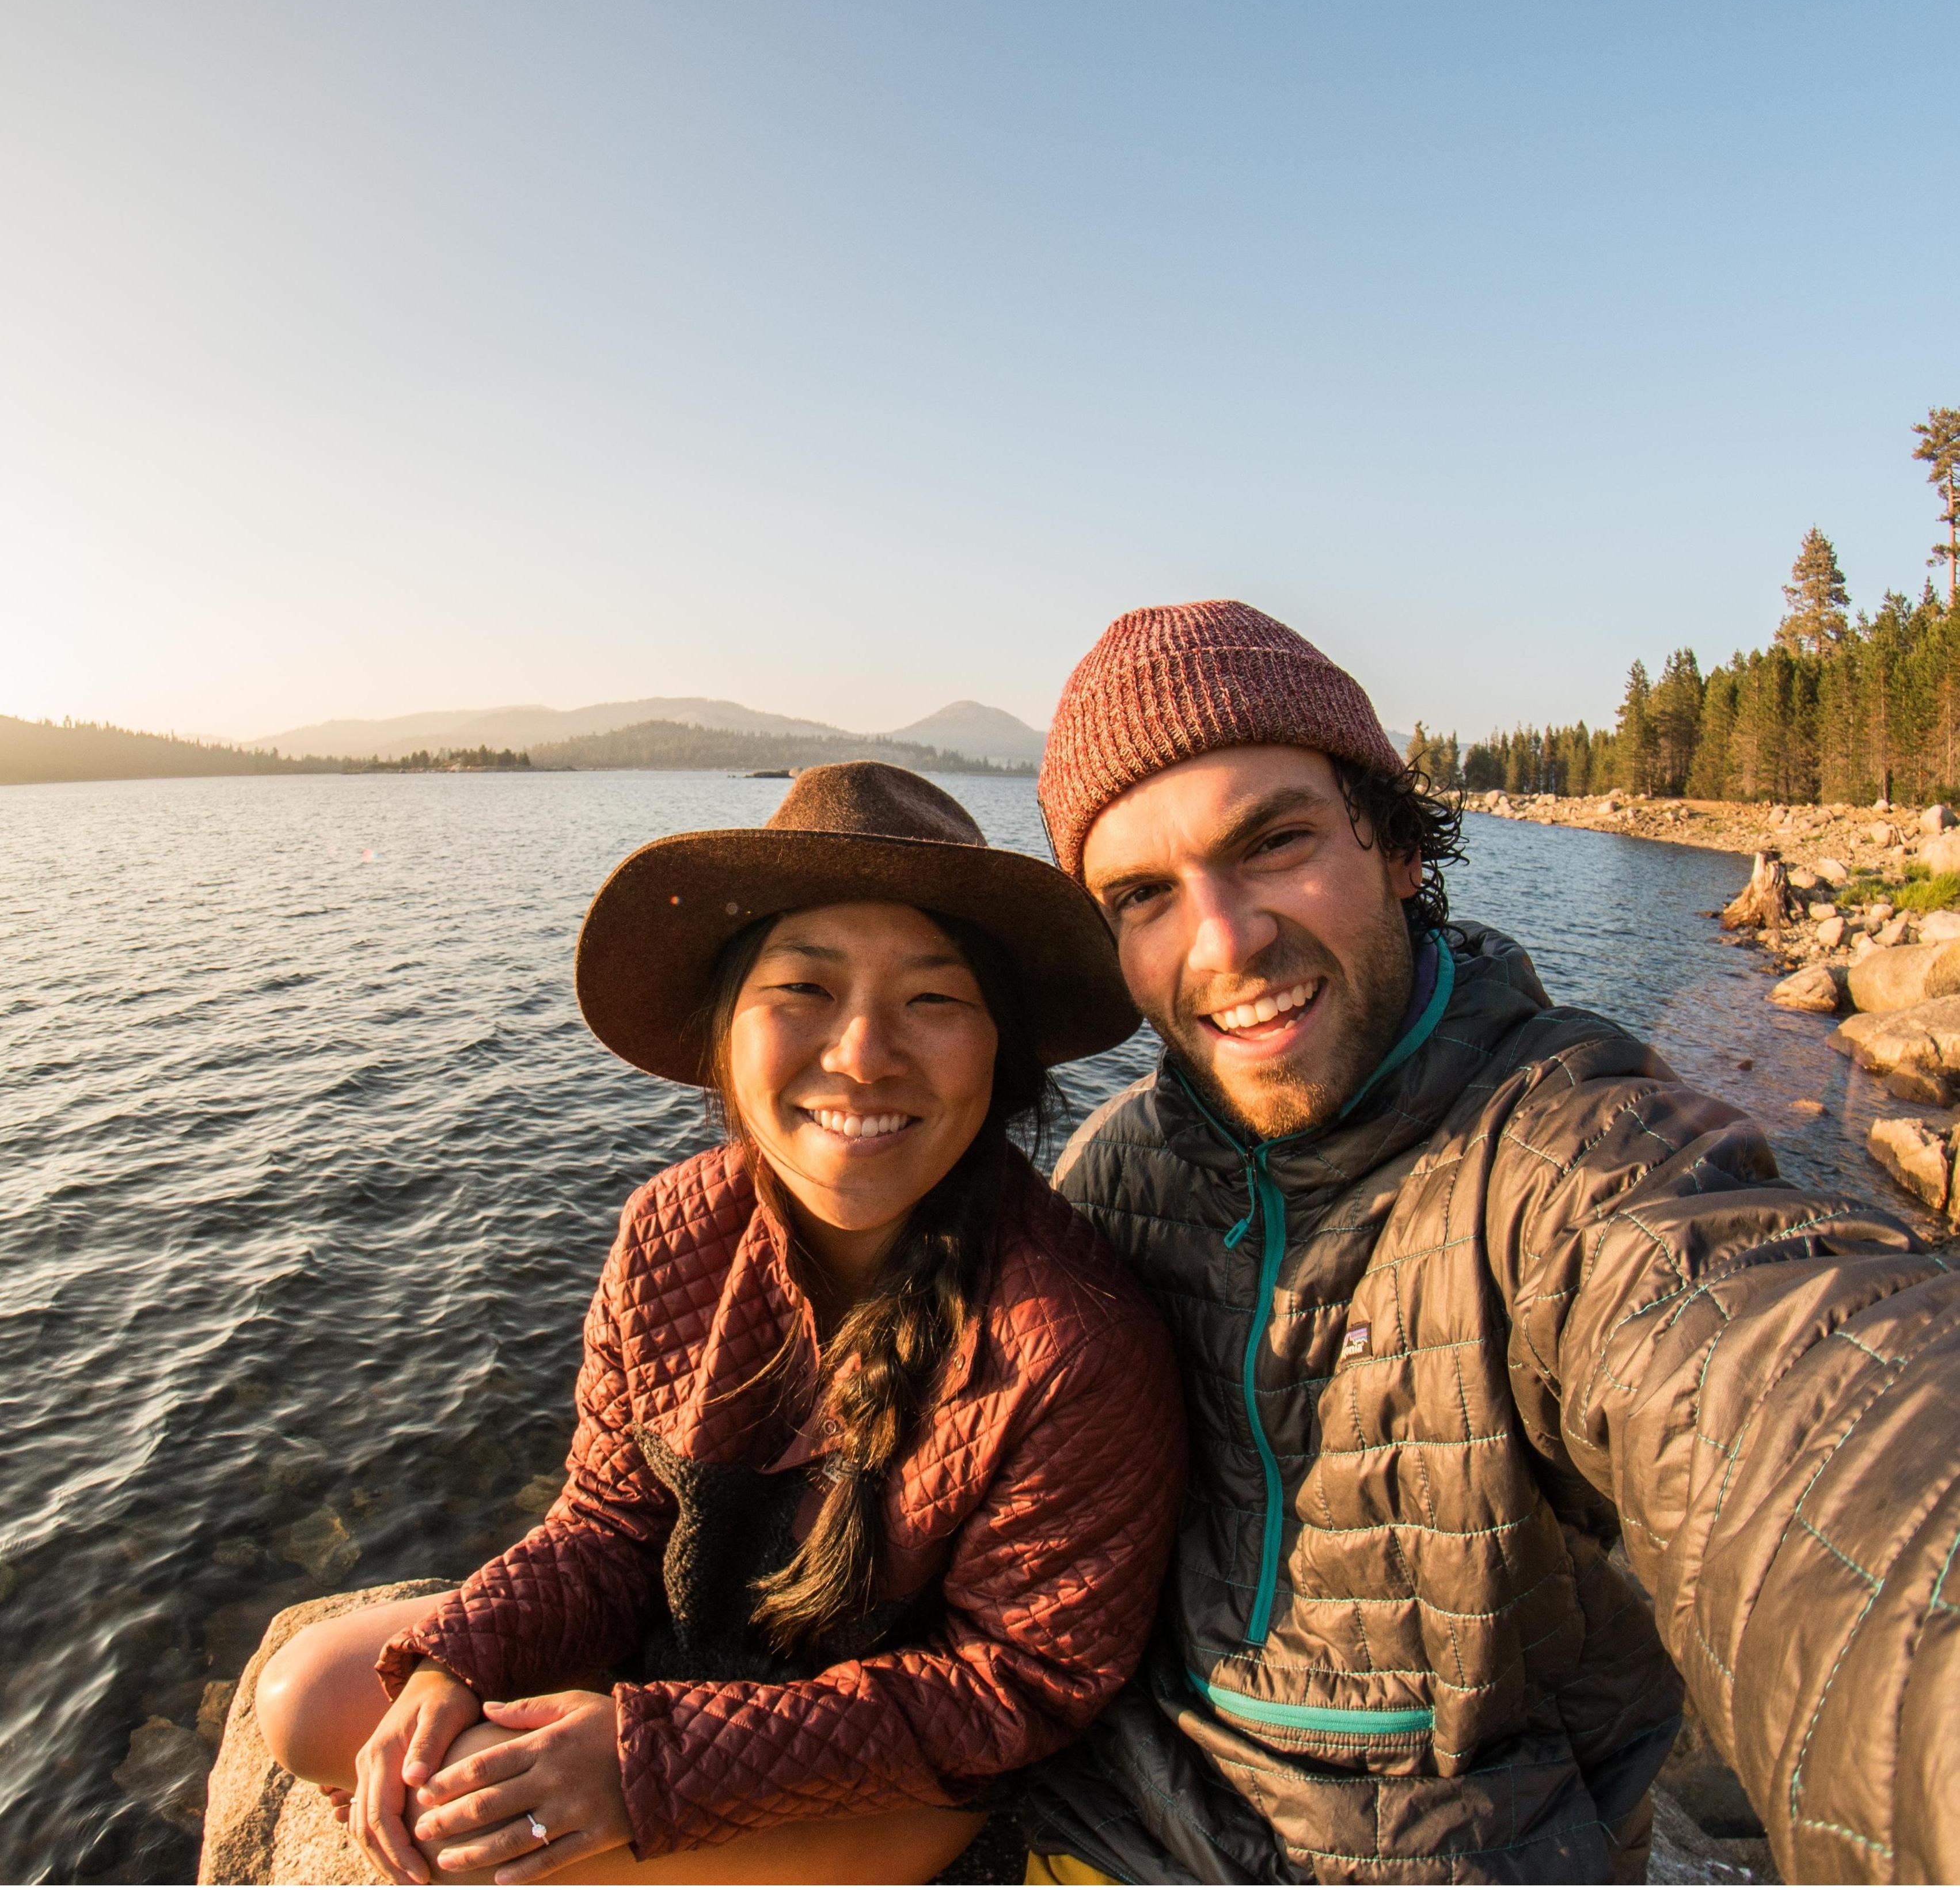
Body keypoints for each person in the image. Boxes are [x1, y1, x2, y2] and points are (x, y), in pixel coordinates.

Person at [1017, 599, 1960, 1885]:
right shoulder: (1114, 1169)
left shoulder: (1567, 1148)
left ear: (1396, 844)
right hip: (1100, 1827)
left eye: (1275, 842)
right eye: (1143, 896)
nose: (1224, 941)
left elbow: (1791, 1386)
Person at [256, 761, 1184, 1887]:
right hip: (698, 1655)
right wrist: (460, 1659)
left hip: (901, 1755)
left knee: (510, 1854)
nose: (861, 1054)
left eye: (933, 999)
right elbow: (607, 1525)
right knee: (314, 1699)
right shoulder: (672, 1229)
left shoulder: (1069, 1339)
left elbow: (1013, 1684)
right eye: (803, 989)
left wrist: (647, 1765)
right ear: (725, 1035)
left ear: (1002, 1052)